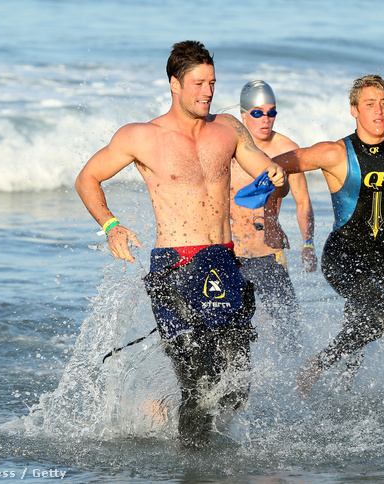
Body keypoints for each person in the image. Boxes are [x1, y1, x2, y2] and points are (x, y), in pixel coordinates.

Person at [74, 41, 289, 446]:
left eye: (212, 83)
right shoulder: (142, 136)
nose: (208, 92)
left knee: (237, 387)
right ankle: (193, 464)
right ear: (175, 84)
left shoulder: (228, 128)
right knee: (199, 382)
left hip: (224, 262)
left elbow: (267, 172)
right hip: (176, 268)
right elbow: (87, 178)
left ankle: (181, 427)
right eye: (198, 84)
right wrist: (111, 226)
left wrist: (277, 177)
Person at [272, 74, 384, 398]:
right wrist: (267, 214)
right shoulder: (335, 153)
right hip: (342, 255)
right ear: (354, 110)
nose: (378, 111)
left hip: (382, 258)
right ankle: (316, 365)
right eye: (369, 104)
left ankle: (343, 400)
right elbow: (272, 168)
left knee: (359, 329)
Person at [230, 80, 317, 354]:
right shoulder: (228, 146)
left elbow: (303, 202)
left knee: (288, 331)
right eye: (258, 113)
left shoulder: (287, 149)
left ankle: (294, 375)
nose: (265, 119)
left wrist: (308, 243)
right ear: (243, 114)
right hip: (230, 252)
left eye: (271, 112)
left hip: (269, 252)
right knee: (232, 331)